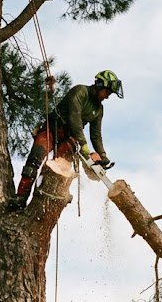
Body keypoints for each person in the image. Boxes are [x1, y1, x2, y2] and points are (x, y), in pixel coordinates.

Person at [14, 69, 123, 208]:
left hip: (70, 138)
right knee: (35, 158)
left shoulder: (99, 109)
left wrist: (102, 155)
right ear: (100, 85)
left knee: (57, 174)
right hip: (53, 129)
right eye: (107, 92)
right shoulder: (80, 92)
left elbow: (96, 135)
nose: (107, 97)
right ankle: (20, 198)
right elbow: (74, 118)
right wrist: (83, 145)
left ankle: (40, 205)